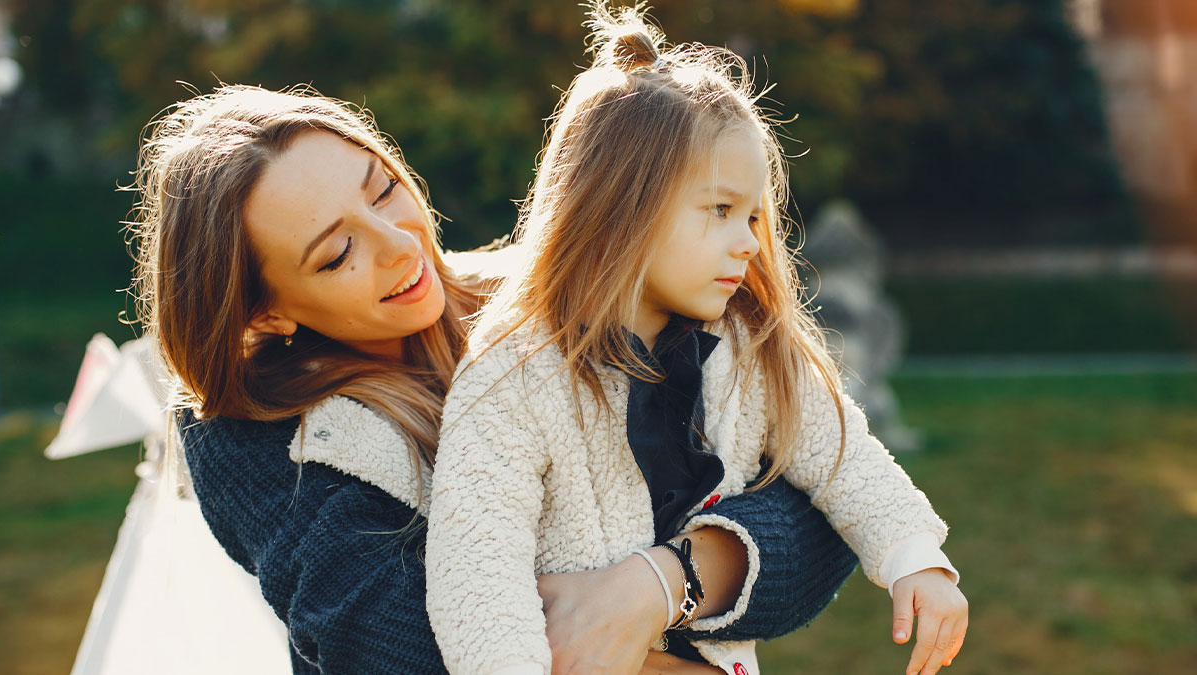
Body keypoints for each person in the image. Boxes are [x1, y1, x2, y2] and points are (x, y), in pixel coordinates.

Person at [127, 81, 859, 674]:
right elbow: (393, 643)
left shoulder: (546, 302)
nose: (399, 244)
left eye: (382, 189)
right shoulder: (249, 432)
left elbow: (820, 492)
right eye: (336, 252)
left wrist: (659, 583)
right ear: (265, 314)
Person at [423, 5, 970, 675]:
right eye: (719, 210)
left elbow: (843, 456)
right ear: (619, 208)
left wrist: (916, 556)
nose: (748, 240)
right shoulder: (514, 375)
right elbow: (475, 573)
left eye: (752, 214)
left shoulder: (748, 347)